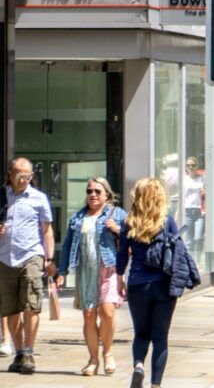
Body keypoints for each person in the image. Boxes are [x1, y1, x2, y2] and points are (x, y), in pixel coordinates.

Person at [117, 177, 200, 388]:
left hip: (137, 284)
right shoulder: (167, 221)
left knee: (141, 334)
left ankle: (138, 366)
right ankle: (156, 385)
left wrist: (120, 278)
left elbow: (122, 256)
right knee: (160, 337)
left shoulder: (128, 222)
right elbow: (179, 252)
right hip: (163, 284)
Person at [57, 176, 126, 377]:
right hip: (85, 271)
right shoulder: (78, 218)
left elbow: (132, 239)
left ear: (107, 194)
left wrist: (118, 229)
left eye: (97, 191)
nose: (93, 195)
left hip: (109, 269)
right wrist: (62, 272)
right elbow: (68, 245)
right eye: (89, 191)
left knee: (108, 313)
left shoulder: (118, 214)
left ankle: (108, 353)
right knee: (88, 316)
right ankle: (93, 359)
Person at [0, 157, 54, 375]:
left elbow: (47, 230)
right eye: (20, 176)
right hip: (5, 258)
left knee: (31, 306)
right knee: (11, 310)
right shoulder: (1, 196)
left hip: (31, 256)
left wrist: (48, 259)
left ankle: (29, 351)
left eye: (28, 176)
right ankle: (19, 352)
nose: (24, 180)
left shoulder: (39, 198)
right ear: (11, 175)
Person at [180, 159, 205, 250]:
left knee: (198, 238)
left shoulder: (202, 178)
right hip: (187, 211)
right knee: (189, 241)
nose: (190, 167)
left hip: (199, 211)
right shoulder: (184, 179)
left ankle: (197, 261)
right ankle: (189, 262)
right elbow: (181, 196)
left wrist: (205, 193)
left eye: (193, 165)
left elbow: (209, 193)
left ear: (197, 166)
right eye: (188, 165)